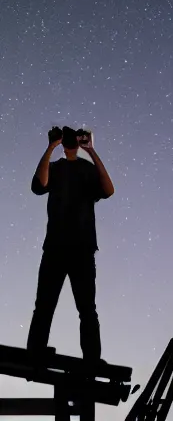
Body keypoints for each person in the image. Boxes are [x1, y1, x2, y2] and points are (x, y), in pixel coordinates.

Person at [26, 126, 115, 369]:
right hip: (55, 245)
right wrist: (51, 146)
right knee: (44, 303)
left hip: (83, 248)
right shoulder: (54, 168)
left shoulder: (87, 169)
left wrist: (91, 151)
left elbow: (108, 190)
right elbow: (40, 184)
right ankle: (35, 352)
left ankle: (92, 359)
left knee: (87, 308)